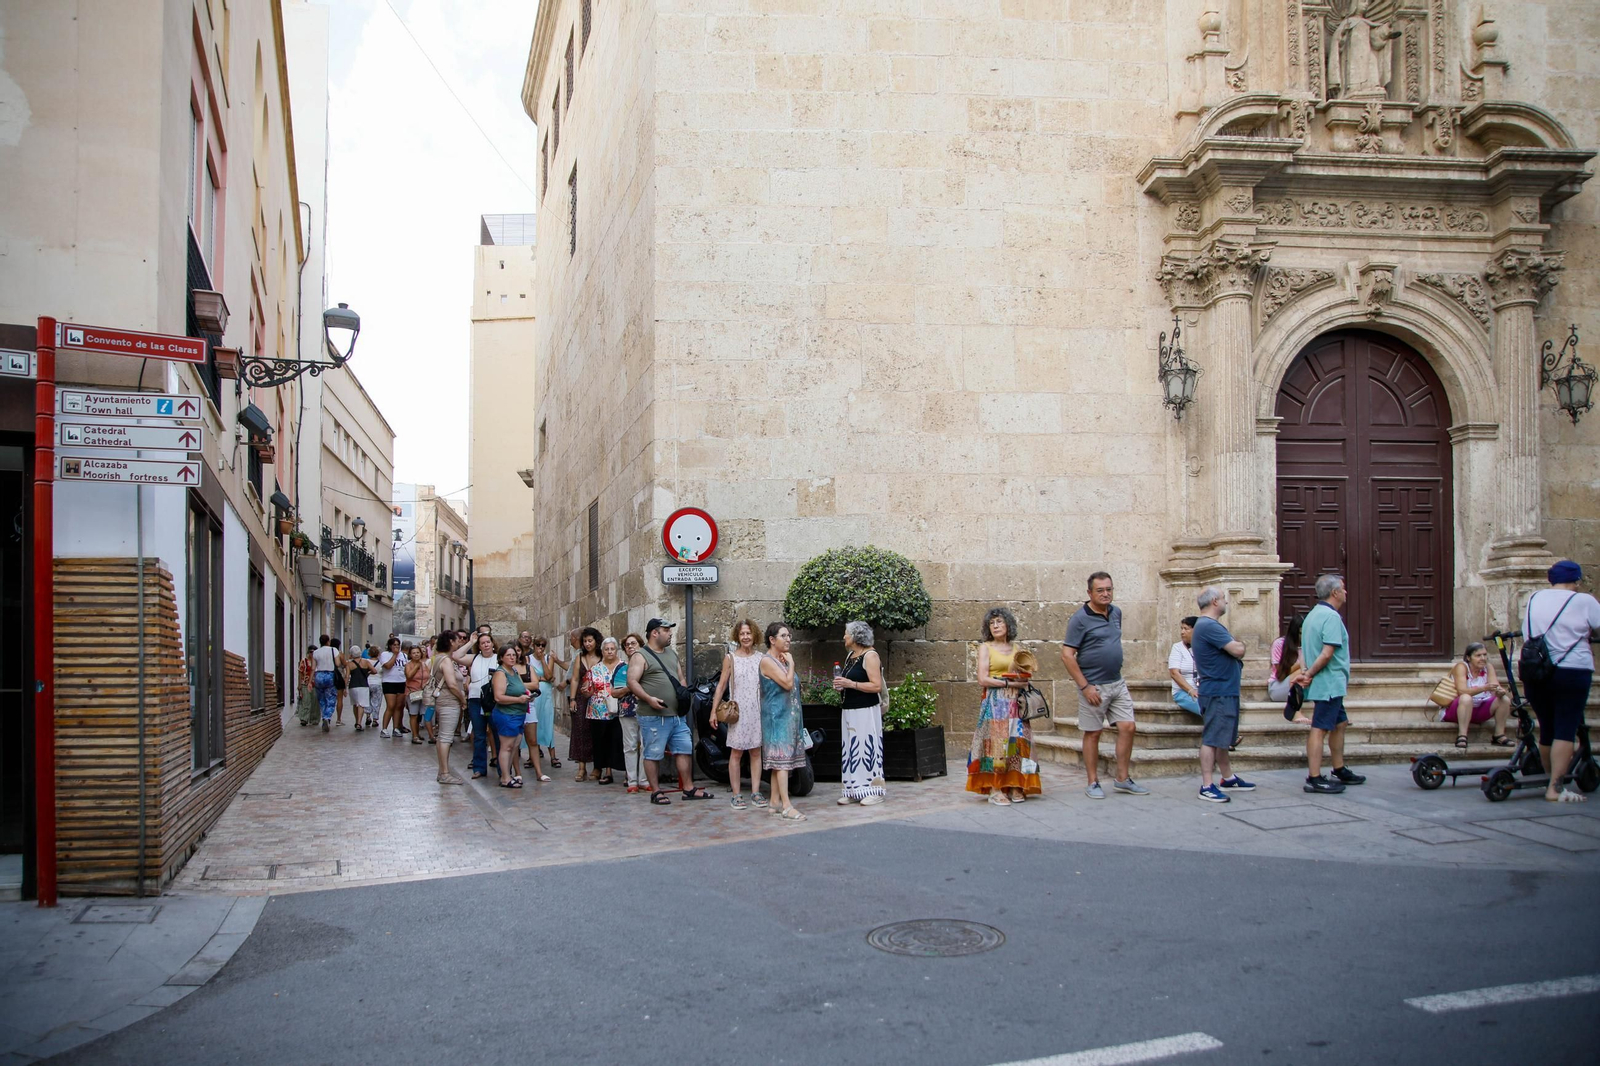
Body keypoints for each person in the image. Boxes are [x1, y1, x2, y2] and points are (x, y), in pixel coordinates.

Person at [1061, 572, 1147, 799]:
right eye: (1100, 590)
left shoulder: (1116, 612)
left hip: (1117, 682)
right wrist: (1085, 687)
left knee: (1128, 727)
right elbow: (1068, 655)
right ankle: (1093, 782)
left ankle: (1122, 778)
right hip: (1093, 686)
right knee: (1093, 733)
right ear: (1089, 593)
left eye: (1109, 589)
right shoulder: (1079, 619)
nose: (1106, 594)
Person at [1524, 560, 1600, 803]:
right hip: (1572, 669)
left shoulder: (1534, 597)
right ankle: (1556, 788)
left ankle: (1551, 779)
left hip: (1536, 670)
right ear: (1576, 580)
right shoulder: (1583, 601)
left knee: (1547, 728)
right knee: (1566, 729)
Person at [628, 618, 710, 804]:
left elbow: (680, 678)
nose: (670, 633)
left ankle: (688, 788)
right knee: (653, 753)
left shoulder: (671, 654)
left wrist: (682, 696)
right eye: (666, 630)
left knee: (684, 749)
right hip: (653, 716)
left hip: (676, 716)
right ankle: (656, 791)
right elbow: (632, 682)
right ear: (655, 633)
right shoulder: (640, 656)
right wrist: (649, 699)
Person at [967, 607, 1040, 804]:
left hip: (1016, 703)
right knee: (997, 745)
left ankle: (1016, 785)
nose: (996, 626)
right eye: (992, 623)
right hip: (996, 702)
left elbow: (1025, 680)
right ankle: (995, 788)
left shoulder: (1017, 649)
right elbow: (983, 679)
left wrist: (1017, 683)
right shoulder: (986, 648)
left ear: (1008, 625)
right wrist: (1008, 683)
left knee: (1018, 744)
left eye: (999, 622)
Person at [1301, 574, 1365, 794]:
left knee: (1340, 723)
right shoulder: (1331, 617)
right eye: (1343, 589)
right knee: (1319, 728)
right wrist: (1309, 673)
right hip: (1328, 682)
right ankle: (1314, 777)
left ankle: (1339, 768)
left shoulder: (1313, 615)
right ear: (1335, 592)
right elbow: (1327, 653)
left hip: (1329, 683)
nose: (1346, 593)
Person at [1191, 587, 1255, 803]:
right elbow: (1237, 650)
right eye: (1224, 599)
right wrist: (1241, 645)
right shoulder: (1209, 625)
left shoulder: (1207, 625)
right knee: (1211, 738)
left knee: (1221, 738)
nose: (1227, 603)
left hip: (1223, 690)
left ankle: (1227, 778)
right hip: (1218, 691)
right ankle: (1207, 785)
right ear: (1215, 601)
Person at [711, 620, 766, 809]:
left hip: (757, 711)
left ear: (754, 635)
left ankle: (756, 792)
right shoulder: (731, 658)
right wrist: (713, 711)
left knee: (756, 752)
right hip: (738, 712)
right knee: (736, 753)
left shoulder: (761, 658)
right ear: (737, 636)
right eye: (742, 634)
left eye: (749, 633)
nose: (746, 637)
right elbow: (721, 686)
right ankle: (736, 794)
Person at [834, 620, 888, 807]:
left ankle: (874, 790)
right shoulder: (851, 656)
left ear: (856, 636)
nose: (844, 637)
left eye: (846, 634)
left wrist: (851, 684)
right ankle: (854, 789)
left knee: (867, 748)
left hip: (865, 711)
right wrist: (842, 685)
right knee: (851, 749)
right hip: (849, 710)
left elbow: (876, 686)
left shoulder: (870, 656)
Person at [759, 623, 807, 821]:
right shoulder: (767, 661)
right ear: (772, 639)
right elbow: (787, 684)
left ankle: (774, 803)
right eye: (784, 636)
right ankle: (787, 806)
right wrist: (792, 664)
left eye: (789, 636)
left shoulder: (782, 660)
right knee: (782, 762)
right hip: (776, 718)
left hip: (789, 717)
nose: (788, 639)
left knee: (781, 763)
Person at [1442, 642, 1512, 749]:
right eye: (1478, 656)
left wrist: (1500, 691)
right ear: (1469, 658)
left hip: (1479, 710)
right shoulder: (1461, 667)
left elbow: (1495, 686)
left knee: (1504, 700)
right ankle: (1462, 735)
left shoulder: (1488, 667)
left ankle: (1499, 735)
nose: (1483, 658)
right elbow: (1462, 691)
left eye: (1484, 655)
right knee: (1466, 698)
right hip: (1458, 709)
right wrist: (1484, 688)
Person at [457, 632, 499, 779]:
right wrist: (470, 642)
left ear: (493, 643)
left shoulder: (499, 658)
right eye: (483, 643)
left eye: (488, 642)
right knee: (479, 735)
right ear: (479, 646)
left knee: (497, 733)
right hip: (476, 699)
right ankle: (479, 767)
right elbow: (456, 656)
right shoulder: (474, 658)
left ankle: (503, 768)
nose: (486, 645)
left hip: (494, 700)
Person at [490, 645, 532, 788]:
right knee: (506, 746)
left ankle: (506, 774)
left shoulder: (514, 671)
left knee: (514, 745)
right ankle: (505, 778)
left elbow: (521, 688)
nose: (512, 657)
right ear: (501, 657)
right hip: (507, 714)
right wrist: (518, 700)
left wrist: (527, 695)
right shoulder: (500, 673)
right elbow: (498, 697)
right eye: (508, 655)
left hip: (518, 714)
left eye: (514, 655)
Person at [587, 637, 627, 785]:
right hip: (598, 710)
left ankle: (626, 772)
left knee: (619, 740)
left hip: (620, 708)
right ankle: (607, 771)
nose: (610, 651)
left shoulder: (624, 666)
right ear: (602, 651)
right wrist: (586, 691)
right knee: (601, 741)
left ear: (616, 650)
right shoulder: (595, 668)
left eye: (612, 649)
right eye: (606, 649)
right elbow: (588, 688)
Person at [428, 632, 466, 784]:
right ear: (451, 642)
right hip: (449, 702)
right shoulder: (446, 661)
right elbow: (451, 684)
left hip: (443, 701)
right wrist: (462, 699)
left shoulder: (438, 658)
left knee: (443, 736)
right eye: (457, 641)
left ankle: (442, 771)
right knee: (446, 738)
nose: (459, 643)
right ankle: (444, 773)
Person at [567, 627, 602, 780]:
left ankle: (597, 766)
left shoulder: (602, 657)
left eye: (590, 641)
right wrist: (573, 699)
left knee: (597, 732)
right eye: (585, 641)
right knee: (580, 731)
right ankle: (581, 768)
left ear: (596, 641)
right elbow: (575, 678)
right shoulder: (579, 657)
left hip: (598, 698)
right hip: (581, 698)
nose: (587, 644)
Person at [525, 637, 560, 770]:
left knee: (547, 722)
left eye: (543, 645)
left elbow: (549, 676)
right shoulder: (528, 659)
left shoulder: (547, 658)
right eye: (538, 645)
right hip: (534, 693)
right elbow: (528, 676)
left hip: (545, 695)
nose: (540, 647)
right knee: (534, 723)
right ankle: (532, 755)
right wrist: (542, 678)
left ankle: (553, 755)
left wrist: (542, 662)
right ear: (533, 645)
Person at [617, 633, 645, 791]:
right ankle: (632, 780)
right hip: (627, 711)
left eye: (633, 643)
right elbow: (615, 692)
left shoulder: (647, 665)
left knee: (646, 745)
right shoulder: (621, 669)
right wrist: (631, 686)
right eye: (627, 645)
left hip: (646, 709)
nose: (630, 647)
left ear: (640, 645)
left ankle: (644, 779)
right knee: (630, 746)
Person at [1167, 616, 1201, 717]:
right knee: (1206, 708)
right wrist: (1191, 690)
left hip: (1203, 690)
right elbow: (1174, 673)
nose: (1182, 632)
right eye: (1181, 628)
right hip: (1183, 693)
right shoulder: (1177, 648)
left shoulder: (1204, 647)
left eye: (1186, 629)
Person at [377, 637, 408, 738]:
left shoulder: (404, 655)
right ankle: (384, 729)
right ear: (390, 646)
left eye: (398, 645)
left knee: (399, 707)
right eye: (394, 645)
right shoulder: (385, 655)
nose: (396, 647)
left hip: (401, 682)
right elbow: (388, 666)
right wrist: (395, 655)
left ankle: (396, 728)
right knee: (391, 706)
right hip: (389, 682)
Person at [404, 643, 431, 744]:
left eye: (418, 652)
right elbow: (409, 676)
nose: (416, 655)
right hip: (413, 693)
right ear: (410, 655)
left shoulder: (424, 664)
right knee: (413, 715)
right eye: (413, 653)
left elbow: (429, 676)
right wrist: (416, 666)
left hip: (423, 693)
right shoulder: (408, 665)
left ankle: (418, 733)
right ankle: (414, 736)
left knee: (421, 715)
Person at [311, 635, 339, 732]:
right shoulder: (334, 650)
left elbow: (313, 668)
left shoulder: (315, 652)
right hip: (330, 675)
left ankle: (324, 716)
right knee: (331, 698)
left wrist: (311, 681)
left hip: (319, 675)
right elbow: (338, 663)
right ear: (328, 641)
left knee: (321, 699)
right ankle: (327, 717)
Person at [347, 644, 373, 732]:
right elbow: (374, 670)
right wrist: (368, 673)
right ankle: (359, 722)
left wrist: (344, 688)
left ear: (351, 654)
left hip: (353, 686)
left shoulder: (349, 664)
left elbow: (347, 676)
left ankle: (356, 720)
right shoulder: (366, 662)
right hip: (363, 685)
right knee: (361, 705)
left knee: (355, 704)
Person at [296, 644, 318, 727]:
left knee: (315, 702)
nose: (312, 654)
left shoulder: (317, 661)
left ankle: (314, 719)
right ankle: (304, 719)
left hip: (315, 684)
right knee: (306, 701)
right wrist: (299, 685)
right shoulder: (304, 661)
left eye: (314, 652)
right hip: (305, 683)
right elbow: (300, 673)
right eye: (311, 652)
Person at [329, 637, 347, 724]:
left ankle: (327, 717)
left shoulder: (327, 653)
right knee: (339, 699)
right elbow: (345, 664)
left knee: (328, 697)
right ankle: (338, 719)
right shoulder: (340, 654)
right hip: (338, 676)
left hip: (328, 675)